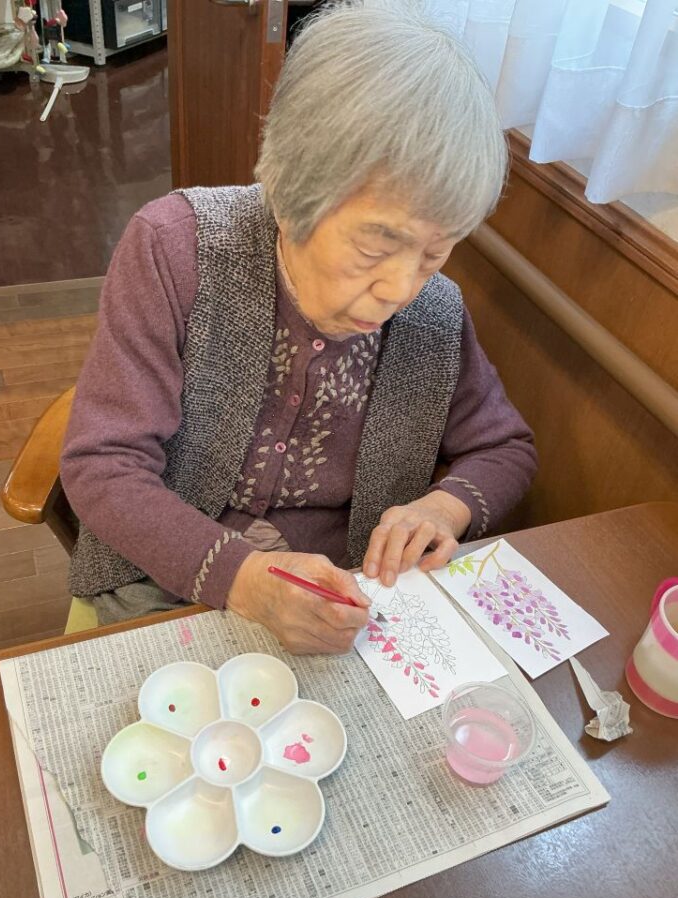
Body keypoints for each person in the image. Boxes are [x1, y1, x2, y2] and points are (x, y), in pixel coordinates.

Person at [60, 2, 537, 655]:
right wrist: (242, 579)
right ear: (289, 194)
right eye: (373, 249)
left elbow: (505, 448)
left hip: (337, 602)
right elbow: (102, 464)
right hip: (158, 579)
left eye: (434, 254)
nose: (401, 289)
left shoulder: (432, 314)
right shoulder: (176, 251)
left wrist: (441, 508)